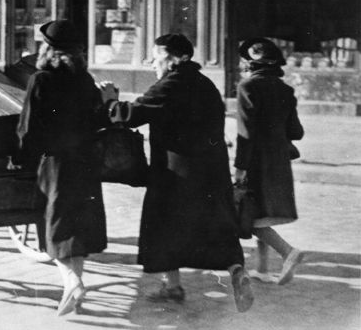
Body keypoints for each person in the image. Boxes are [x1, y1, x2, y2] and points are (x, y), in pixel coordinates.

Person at [100, 33, 254, 312]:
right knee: (215, 226)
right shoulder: (206, 83)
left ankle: (172, 286)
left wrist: (110, 102)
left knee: (163, 225)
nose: (152, 63)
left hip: (175, 172)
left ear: (175, 58)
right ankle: (236, 271)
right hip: (211, 172)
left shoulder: (171, 83)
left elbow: (134, 113)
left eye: (156, 56)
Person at [16, 20, 108, 316]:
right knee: (77, 229)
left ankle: (73, 282)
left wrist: (21, 159)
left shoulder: (40, 80)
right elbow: (97, 119)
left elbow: (28, 128)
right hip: (86, 162)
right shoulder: (85, 80)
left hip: (56, 164)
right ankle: (73, 287)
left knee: (54, 228)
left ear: (47, 50)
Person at [234, 37, 305, 285]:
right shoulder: (285, 90)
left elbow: (245, 134)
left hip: (256, 161)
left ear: (250, 64)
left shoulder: (247, 87)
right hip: (279, 162)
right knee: (259, 213)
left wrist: (240, 167)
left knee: (248, 216)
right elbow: (296, 131)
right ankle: (262, 268)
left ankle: (288, 252)